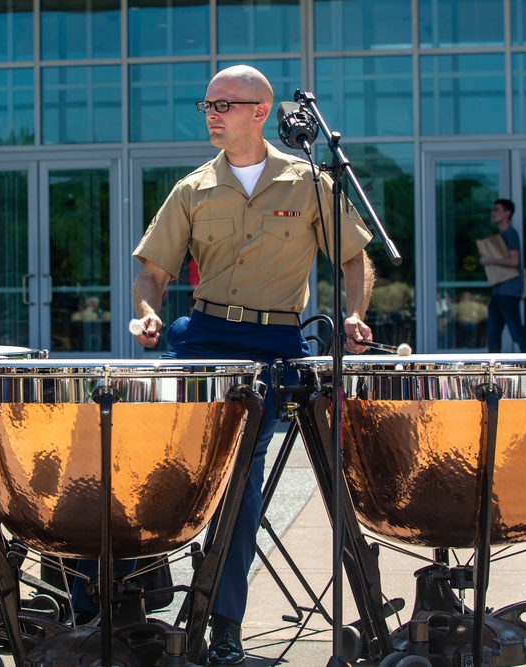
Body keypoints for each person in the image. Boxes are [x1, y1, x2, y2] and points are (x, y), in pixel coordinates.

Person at [130, 64, 376, 665]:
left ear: (260, 111)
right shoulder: (191, 188)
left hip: (275, 344)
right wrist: (146, 314)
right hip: (203, 335)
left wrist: (353, 314)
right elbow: (153, 274)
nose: (211, 113)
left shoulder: (311, 181)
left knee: (240, 479)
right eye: (207, 105)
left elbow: (354, 260)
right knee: (142, 456)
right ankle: (116, 594)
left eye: (224, 104)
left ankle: (225, 620)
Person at [480, 199, 526, 353]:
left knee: (516, 332)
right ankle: (492, 369)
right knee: (493, 334)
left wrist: (490, 260)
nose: (493, 213)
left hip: (509, 292)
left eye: (497, 209)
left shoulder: (511, 234)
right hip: (499, 291)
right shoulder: (501, 236)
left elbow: (515, 260)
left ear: (507, 213)